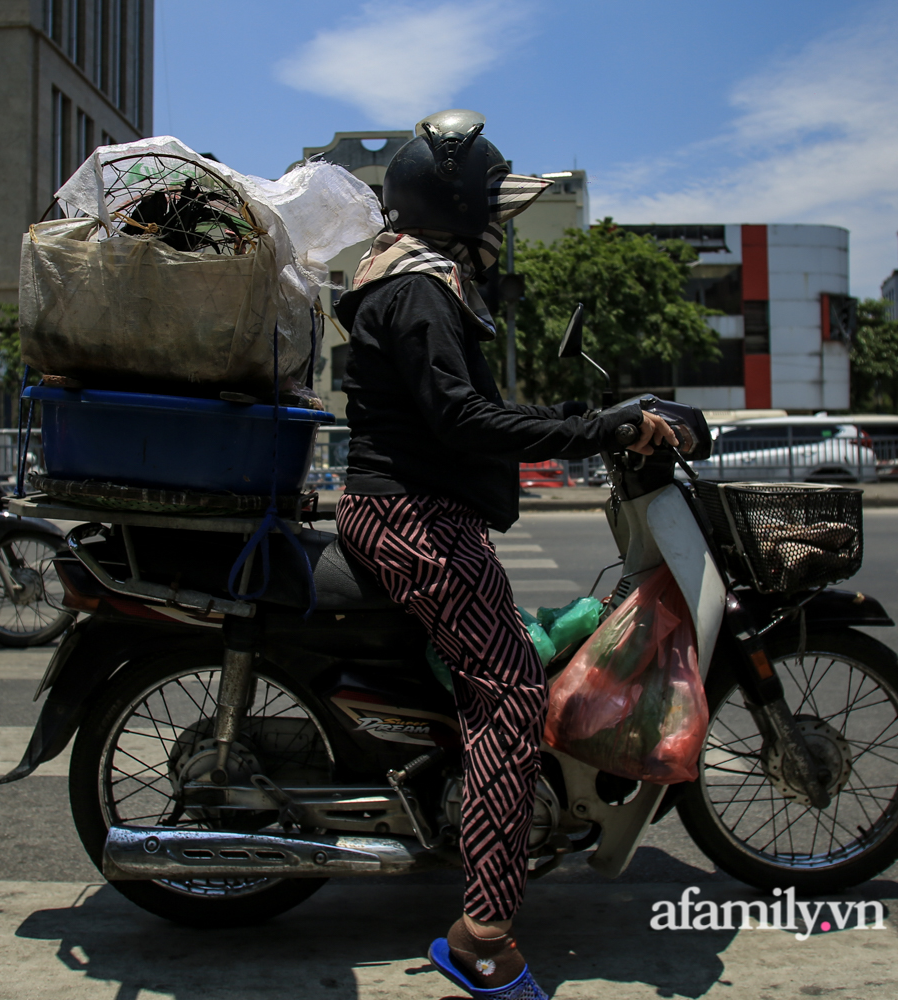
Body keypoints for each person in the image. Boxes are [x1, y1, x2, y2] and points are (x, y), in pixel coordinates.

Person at [332, 110, 676, 1000]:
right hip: (415, 519)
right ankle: (483, 934)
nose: (498, 229)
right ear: (453, 210)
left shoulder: (407, 277)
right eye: (491, 211)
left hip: (408, 510)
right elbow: (461, 419)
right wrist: (595, 425)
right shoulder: (419, 289)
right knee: (512, 691)